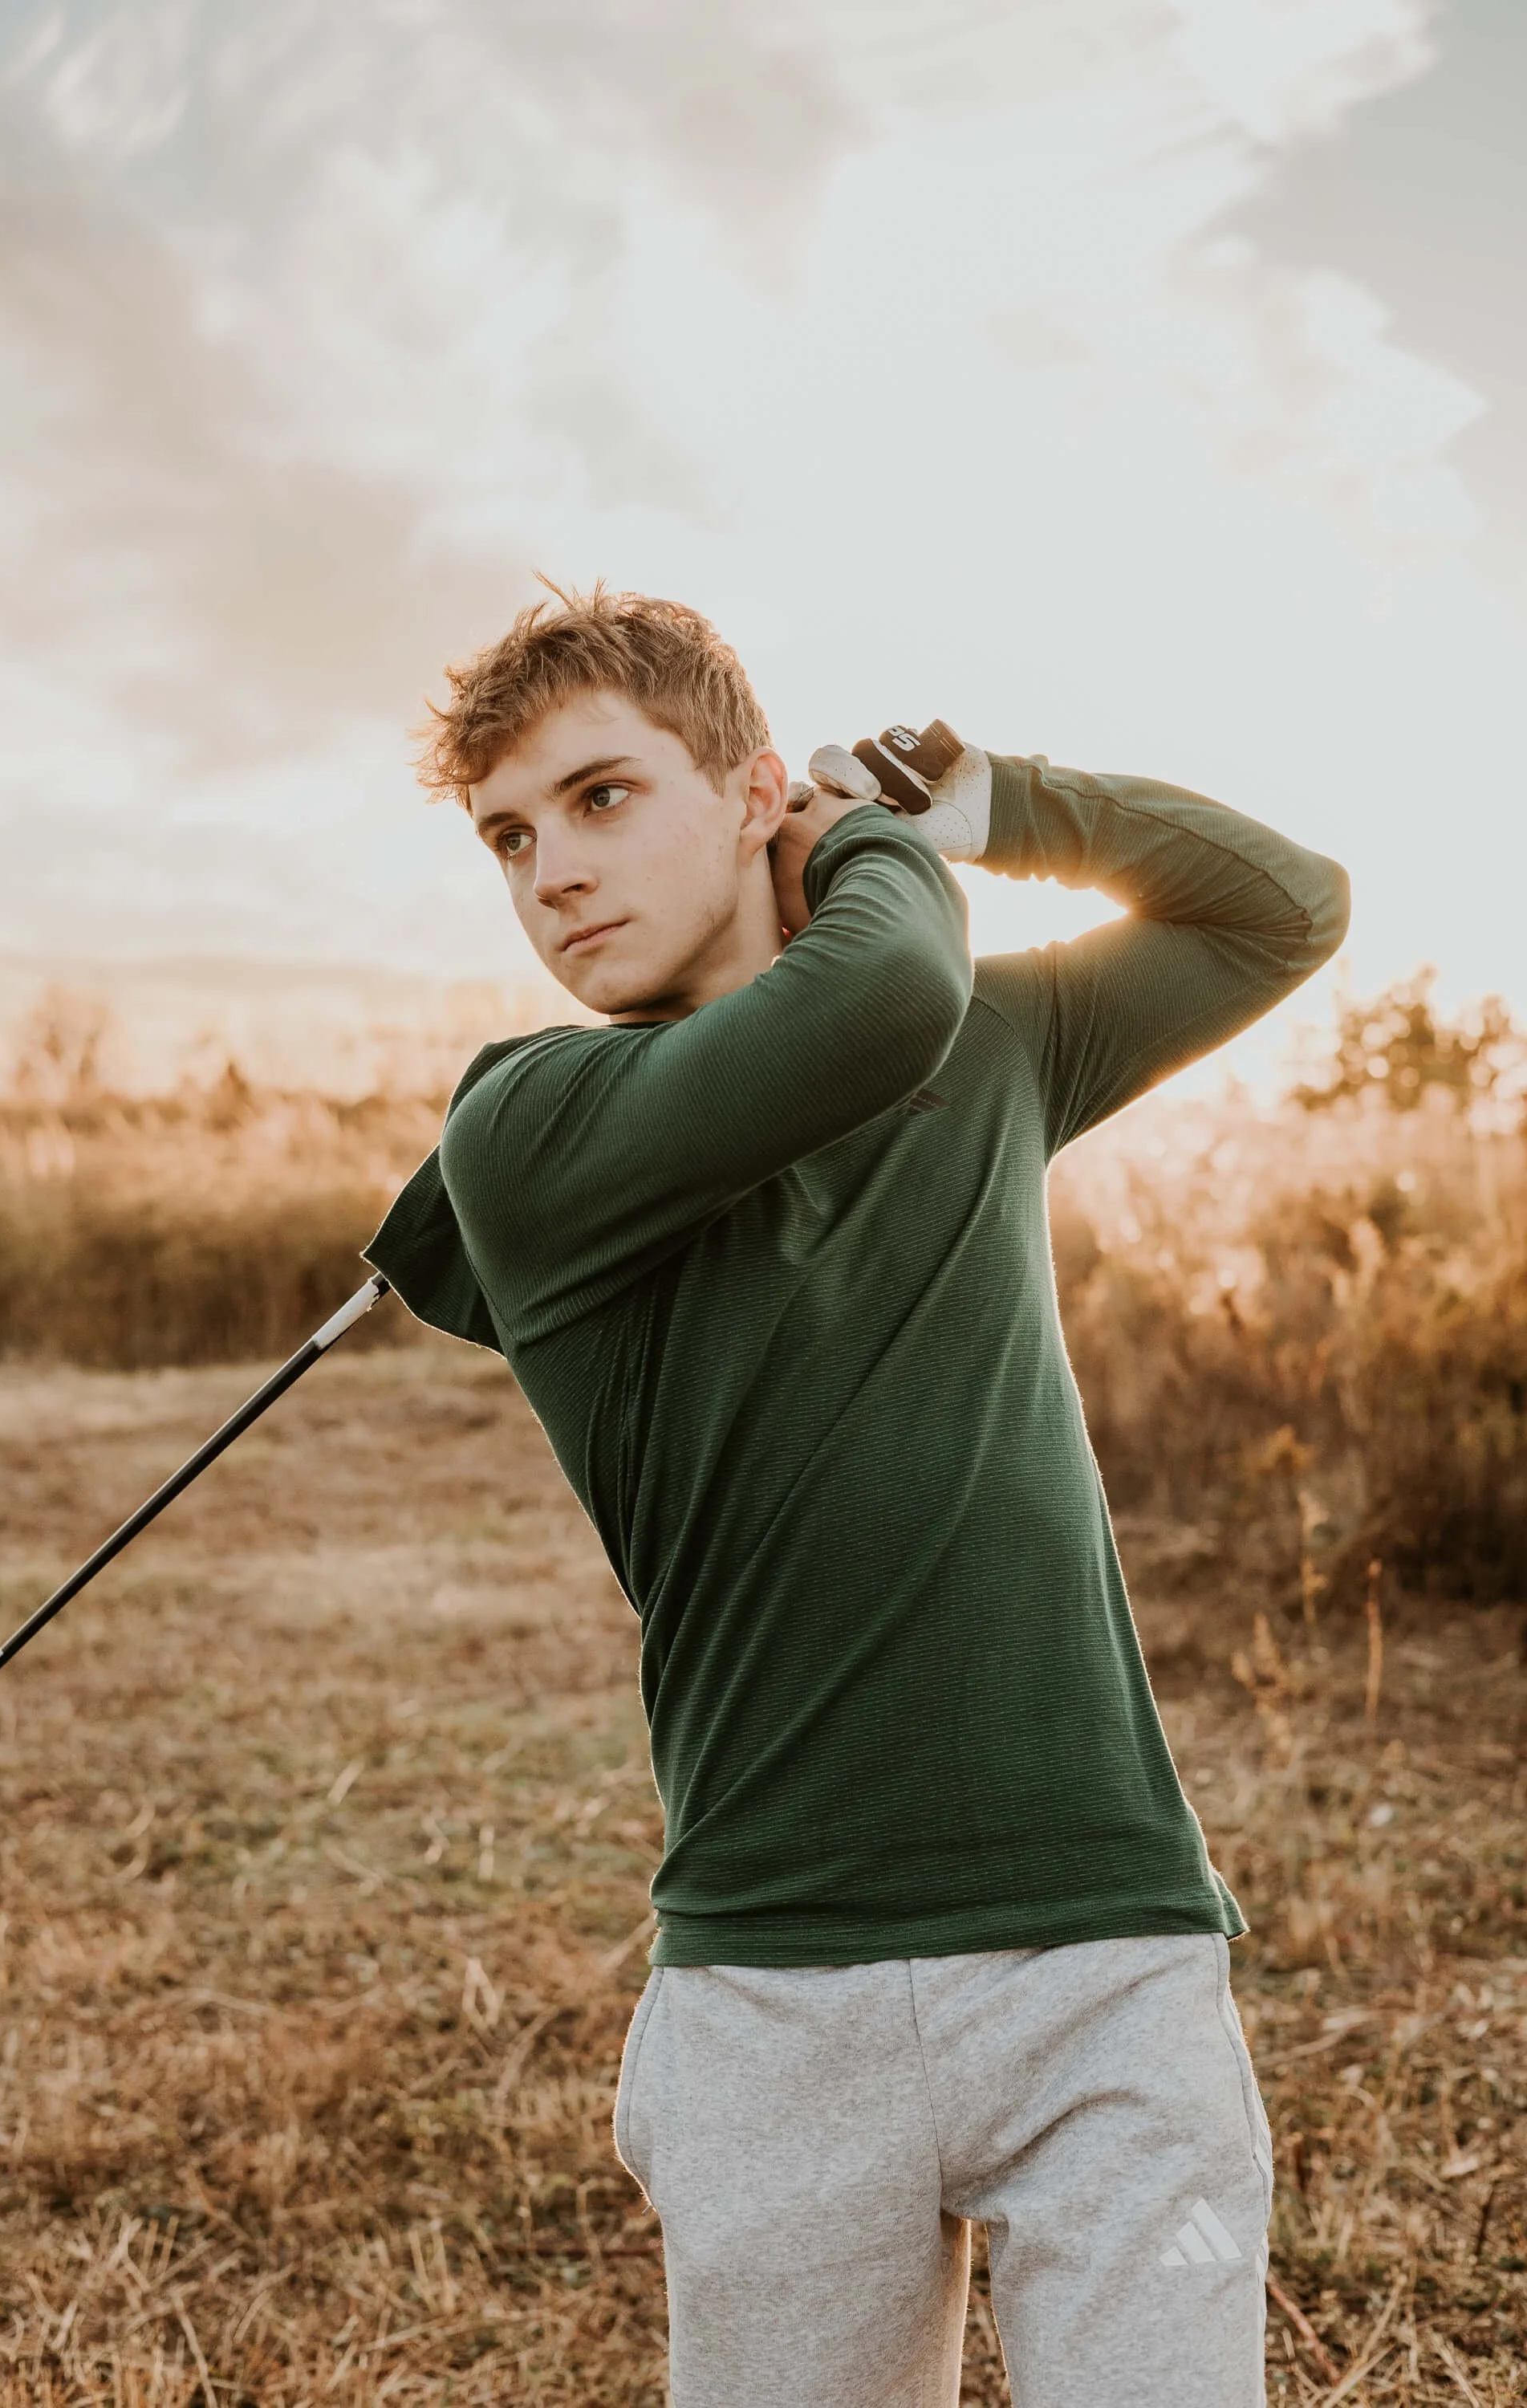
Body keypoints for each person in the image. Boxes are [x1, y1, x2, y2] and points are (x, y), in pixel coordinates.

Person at [368, 584, 1350, 2408]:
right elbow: (880, 985)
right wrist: (869, 838)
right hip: (779, 1996)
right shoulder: (528, 1126)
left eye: (599, 798)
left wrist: (1005, 803)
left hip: (1105, 1953)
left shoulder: (993, 1049)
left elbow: (1285, 907)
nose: (548, 874)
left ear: (742, 788)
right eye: (508, 839)